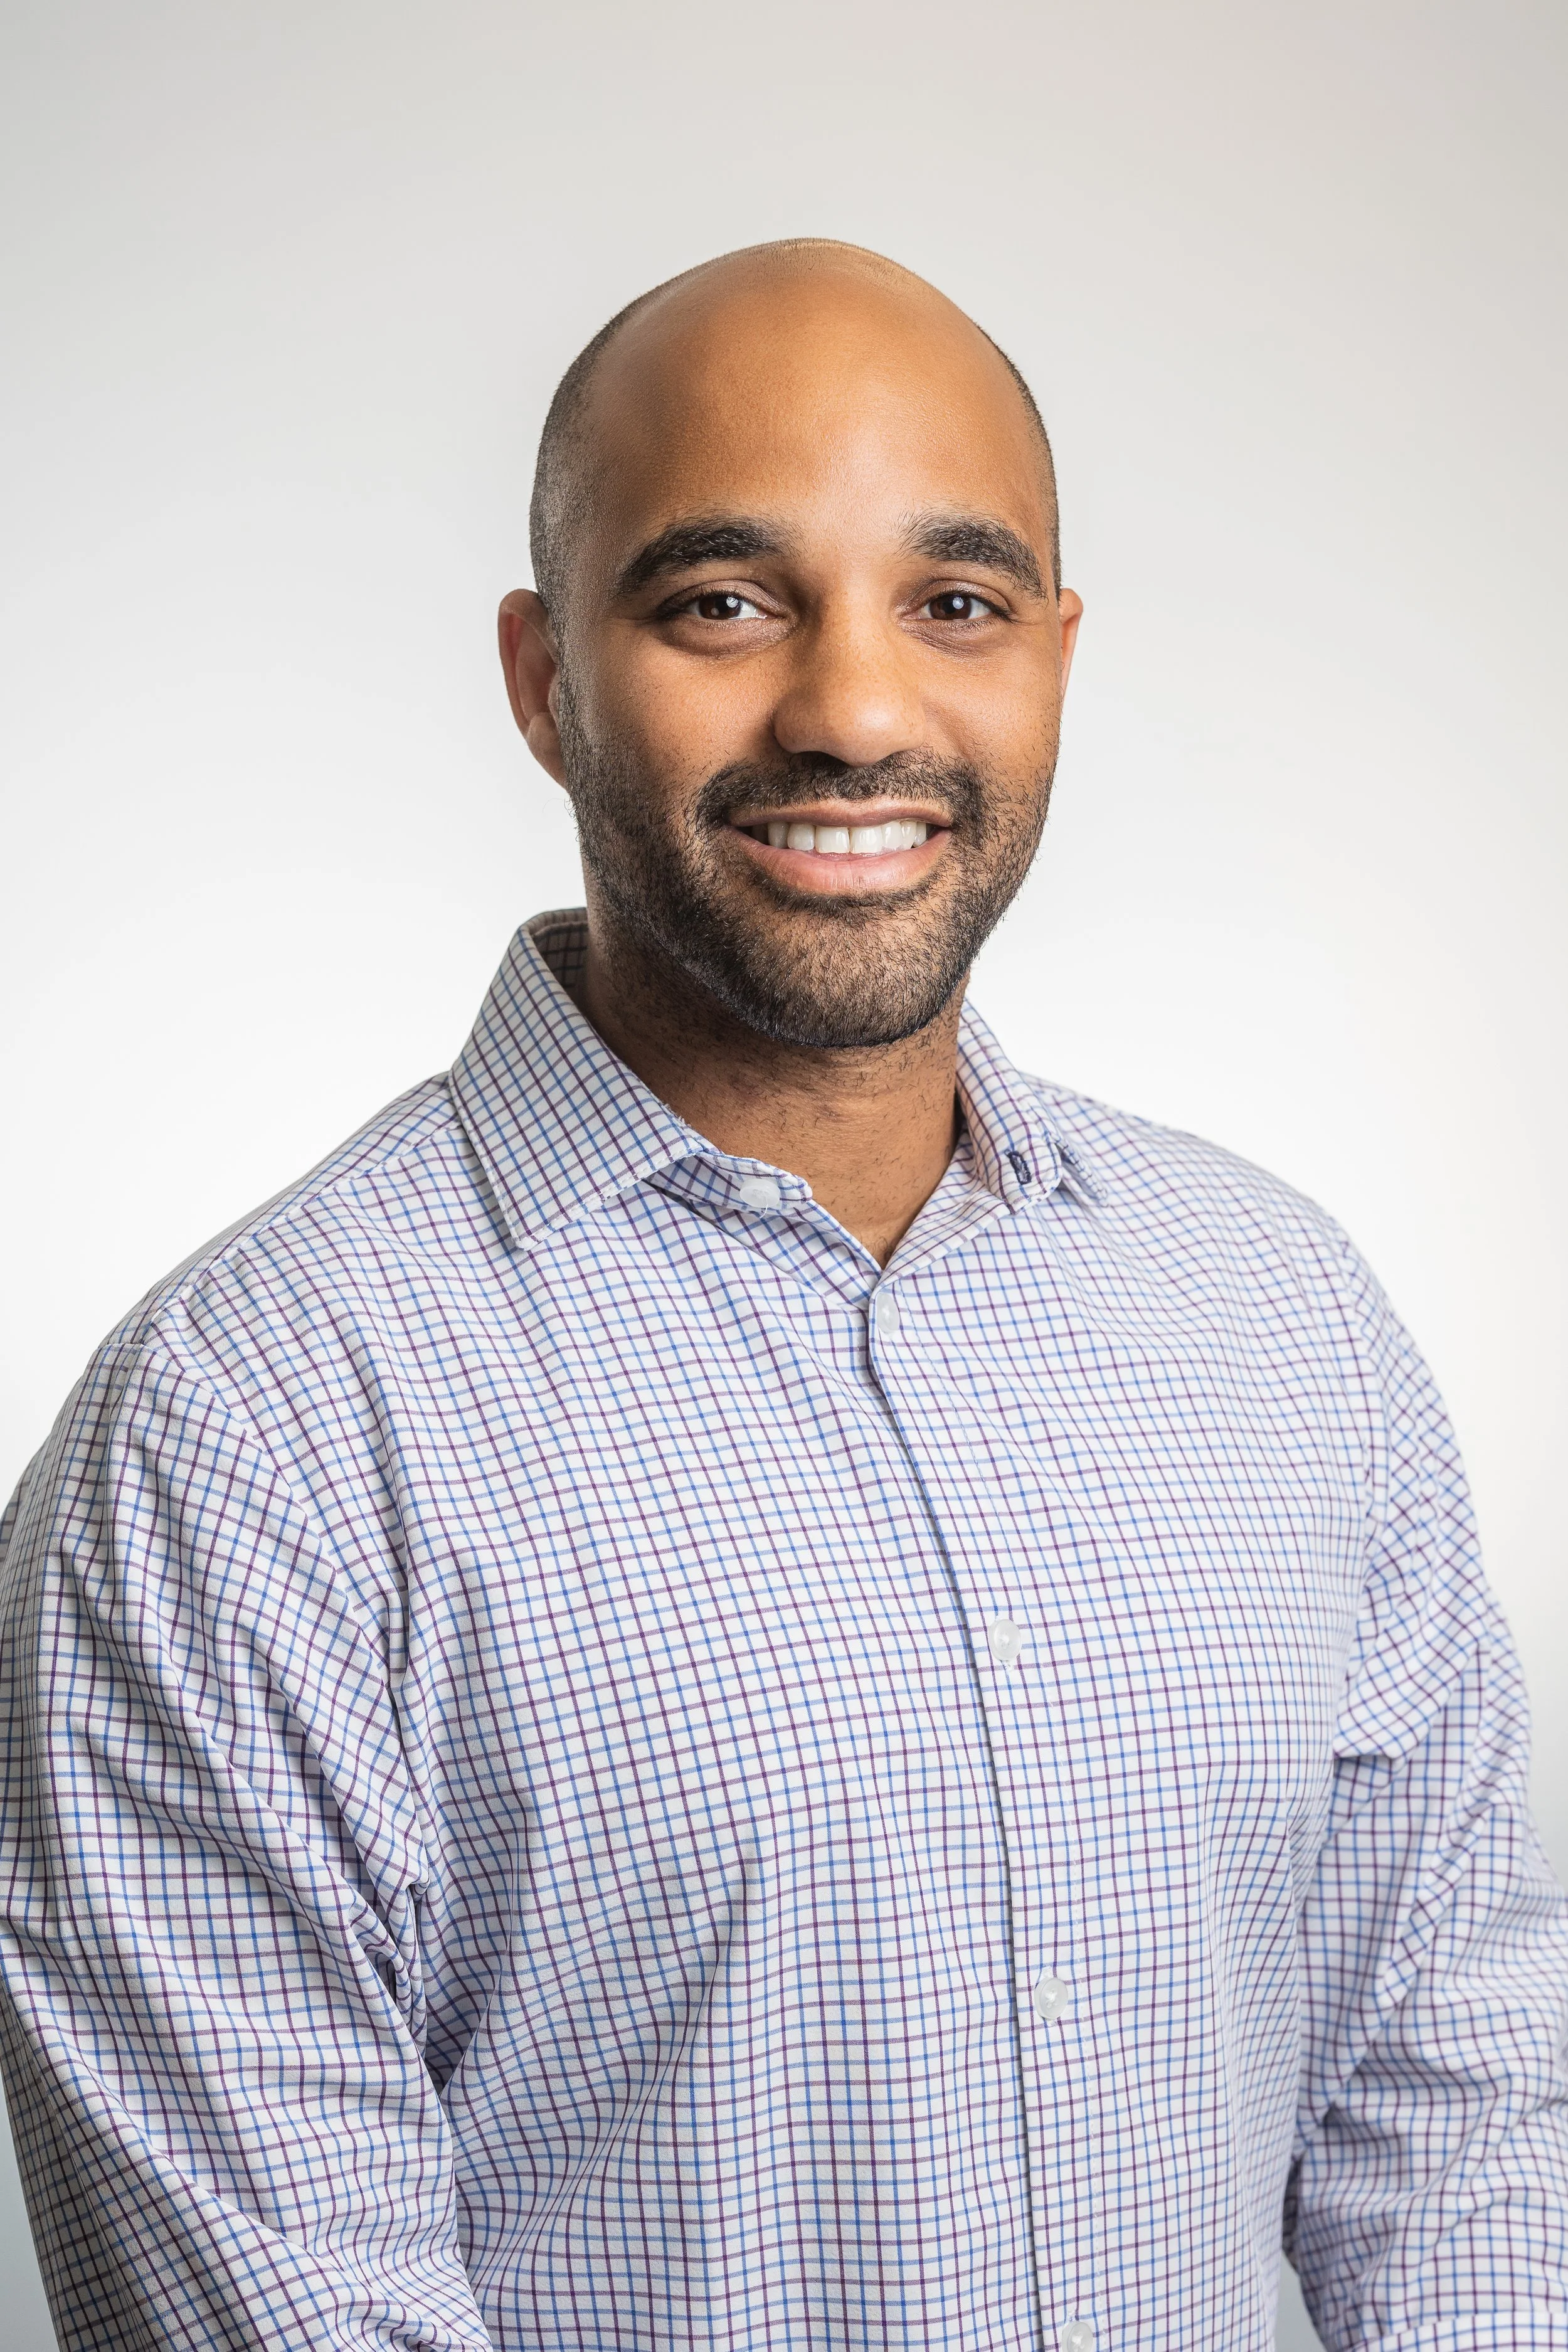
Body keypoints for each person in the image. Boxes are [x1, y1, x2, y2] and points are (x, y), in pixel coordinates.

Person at [1, 239, 1564, 2352]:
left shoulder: (1282, 1320)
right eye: (721, 601)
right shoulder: (237, 1439)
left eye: (955, 602)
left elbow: (1459, 2112)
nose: (852, 710)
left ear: (1054, 657)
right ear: (546, 678)